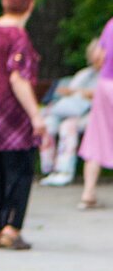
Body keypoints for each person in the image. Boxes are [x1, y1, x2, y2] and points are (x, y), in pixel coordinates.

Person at [0, 0, 43, 250]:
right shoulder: (18, 36)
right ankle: (11, 228)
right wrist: (36, 116)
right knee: (20, 170)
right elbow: (18, 78)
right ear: (30, 5)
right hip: (13, 113)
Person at [40, 39, 101, 186]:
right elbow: (70, 92)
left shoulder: (107, 76)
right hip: (72, 110)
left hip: (96, 114)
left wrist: (85, 93)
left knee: (68, 127)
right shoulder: (84, 74)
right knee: (47, 124)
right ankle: (50, 168)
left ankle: (65, 170)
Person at [77, 16, 113, 210]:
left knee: (97, 136)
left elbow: (99, 56)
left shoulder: (110, 24)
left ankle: (88, 192)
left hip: (106, 85)